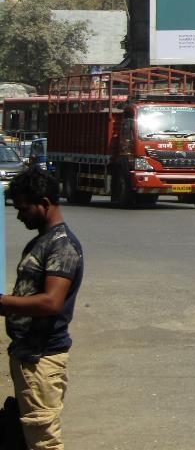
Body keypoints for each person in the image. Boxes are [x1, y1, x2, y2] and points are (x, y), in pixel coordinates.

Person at [1, 168, 84, 450]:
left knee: (43, 442)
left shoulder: (62, 247)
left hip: (41, 359)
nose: (19, 215)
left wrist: (2, 303)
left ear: (44, 203)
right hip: (28, 356)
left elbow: (51, 302)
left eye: (23, 208)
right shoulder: (42, 242)